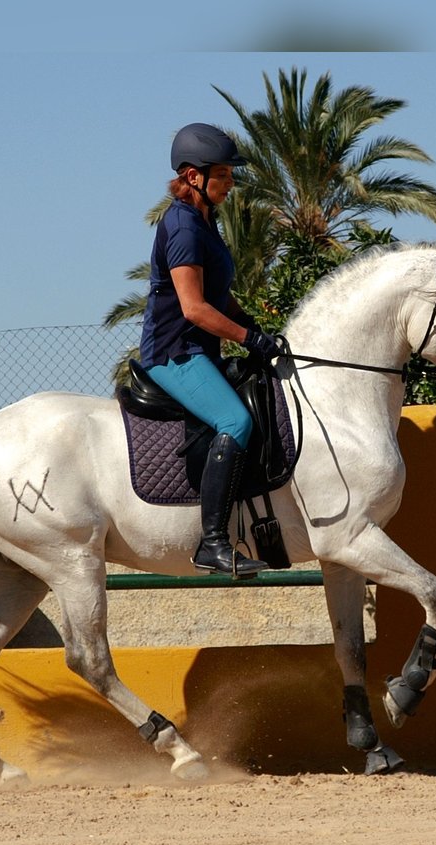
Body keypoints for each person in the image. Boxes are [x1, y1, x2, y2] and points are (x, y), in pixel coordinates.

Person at [139, 122, 281, 578]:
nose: (231, 182)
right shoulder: (181, 225)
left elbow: (219, 296)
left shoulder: (205, 222)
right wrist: (247, 339)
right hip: (174, 353)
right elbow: (195, 308)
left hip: (202, 351)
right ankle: (213, 543)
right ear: (193, 175)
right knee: (234, 420)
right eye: (223, 174)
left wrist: (253, 326)